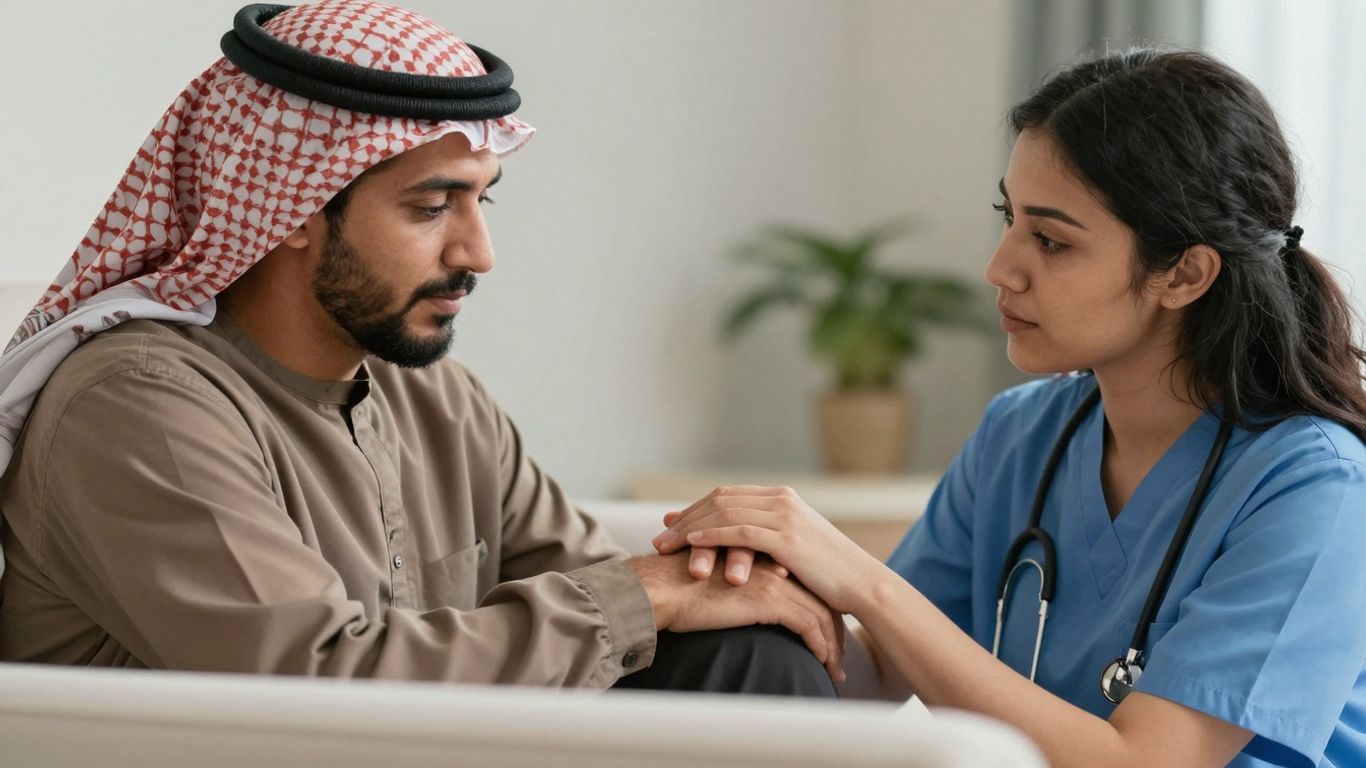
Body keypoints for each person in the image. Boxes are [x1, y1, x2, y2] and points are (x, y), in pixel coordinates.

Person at [0, 0, 844, 696]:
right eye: (431, 207)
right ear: (291, 208)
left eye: (483, 203)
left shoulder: (438, 399)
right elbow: (309, 685)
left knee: (750, 656)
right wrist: (635, 597)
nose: (478, 254)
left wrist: (715, 585)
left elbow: (614, 590)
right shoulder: (136, 405)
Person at [657, 49, 1366, 766]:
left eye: (1051, 241)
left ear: (1184, 273)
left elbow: (1146, 762)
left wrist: (862, 579)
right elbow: (874, 676)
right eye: (1009, 217)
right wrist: (751, 599)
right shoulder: (1022, 433)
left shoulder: (1317, 489)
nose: (1000, 268)